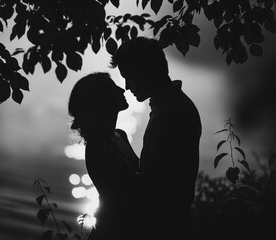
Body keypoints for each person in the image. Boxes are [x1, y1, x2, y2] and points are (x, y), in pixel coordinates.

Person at [110, 36, 202, 240]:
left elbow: (156, 188)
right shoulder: (178, 105)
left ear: (145, 70)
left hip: (162, 227)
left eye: (129, 76)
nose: (126, 86)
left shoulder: (169, 115)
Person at [68, 72, 140, 240]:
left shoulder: (120, 135)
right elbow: (126, 193)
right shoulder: (97, 148)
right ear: (102, 100)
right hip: (113, 231)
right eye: (114, 88)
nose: (122, 89)